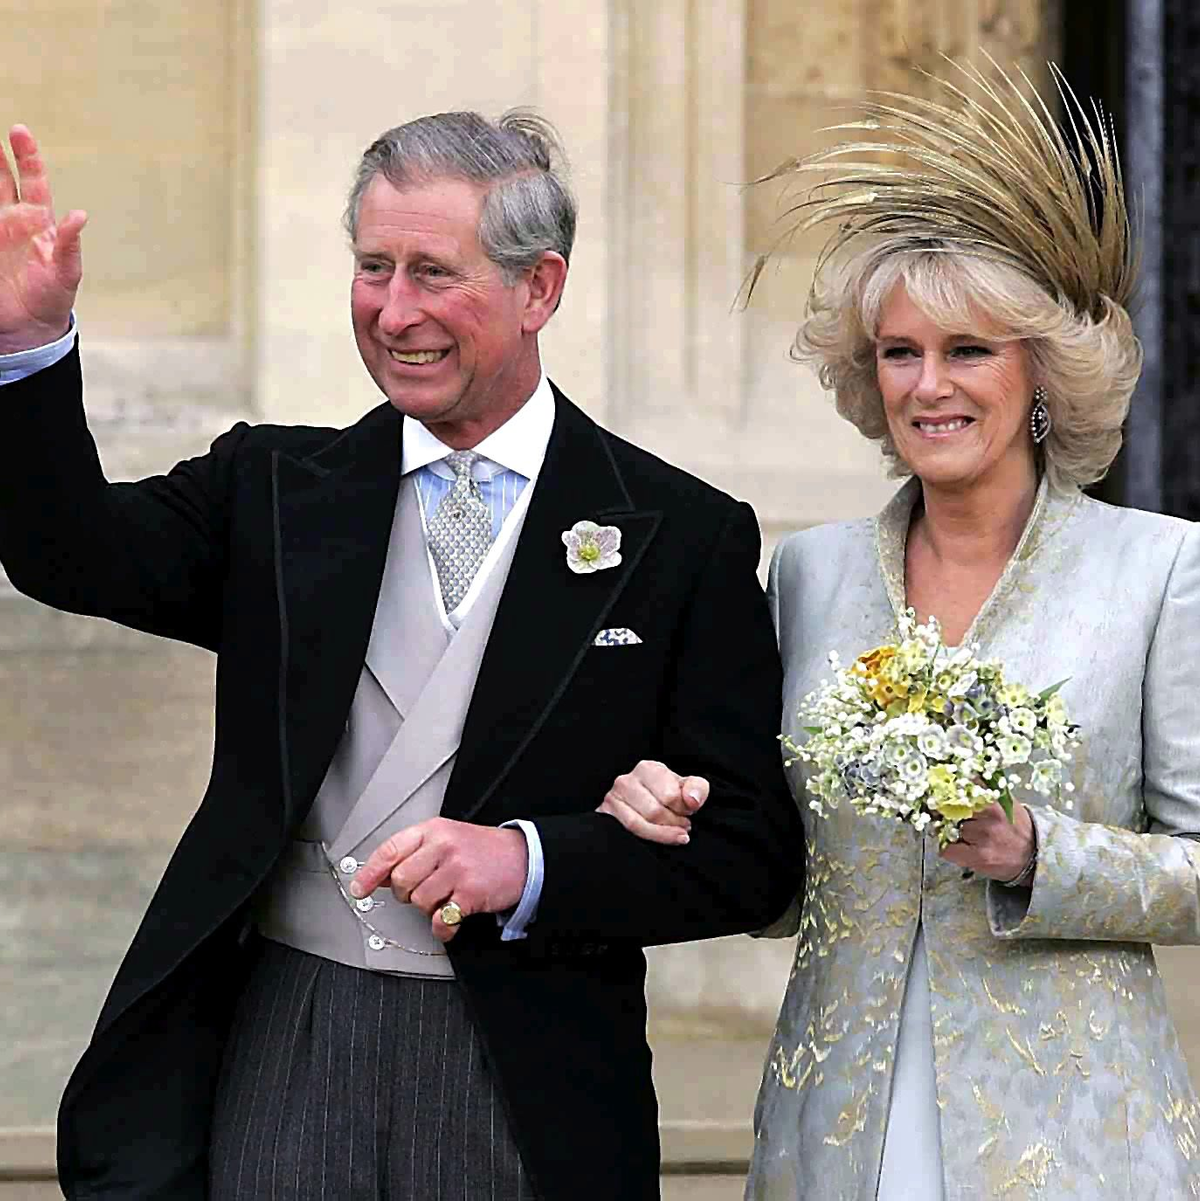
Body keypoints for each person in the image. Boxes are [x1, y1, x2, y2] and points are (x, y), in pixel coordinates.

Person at [0, 112, 801, 1200]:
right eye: (373, 267)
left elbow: (753, 856)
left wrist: (532, 861)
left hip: (526, 1072)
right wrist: (29, 349)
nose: (393, 310)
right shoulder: (275, 491)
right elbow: (69, 555)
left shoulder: (680, 536)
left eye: (434, 272)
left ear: (539, 288)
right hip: (286, 1040)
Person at [600, 62, 1200, 1199]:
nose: (930, 386)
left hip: (1071, 1134)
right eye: (900, 352)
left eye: (969, 350)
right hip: (839, 1124)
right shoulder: (811, 573)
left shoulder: (1158, 569)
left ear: (1042, 373)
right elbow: (777, 867)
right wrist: (675, 811)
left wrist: (1043, 853)